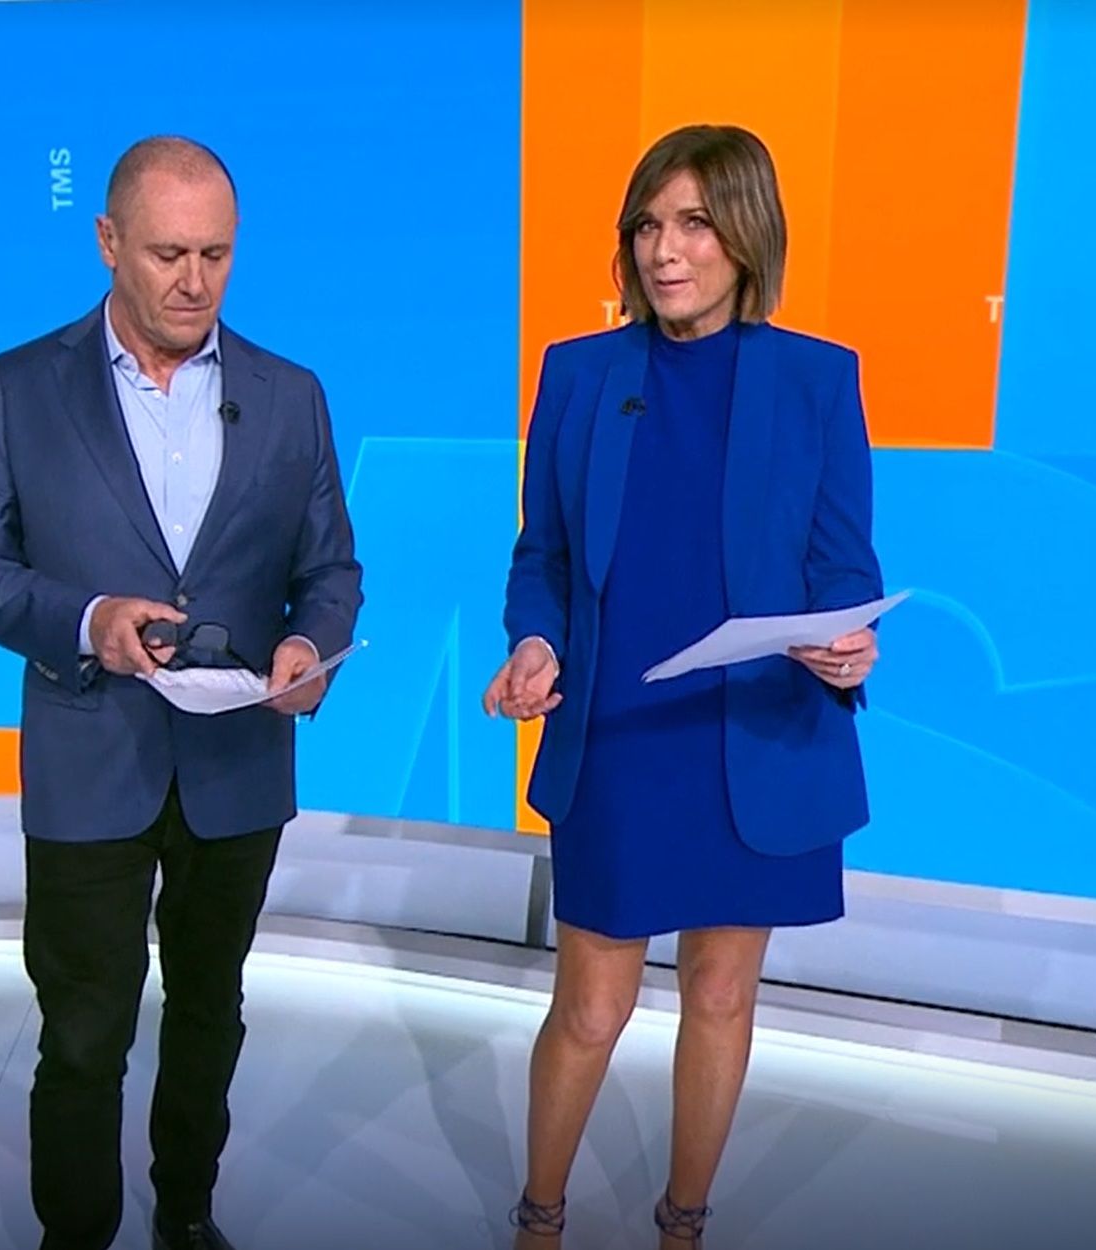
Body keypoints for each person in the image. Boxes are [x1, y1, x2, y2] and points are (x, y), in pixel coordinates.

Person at [0, 135, 363, 1250]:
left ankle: (185, 1212)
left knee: (210, 1011)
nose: (193, 281)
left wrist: (308, 646)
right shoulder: (21, 386)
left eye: (215, 254)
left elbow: (330, 571)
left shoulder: (290, 395)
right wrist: (88, 621)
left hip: (236, 764)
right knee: (84, 1032)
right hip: (89, 758)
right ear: (107, 242)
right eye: (168, 253)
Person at [483, 123, 884, 1249]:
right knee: (591, 1007)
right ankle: (539, 1218)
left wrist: (848, 642)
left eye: (695, 223)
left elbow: (843, 566)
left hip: (754, 731)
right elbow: (542, 557)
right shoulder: (578, 374)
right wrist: (534, 643)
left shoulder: (815, 379)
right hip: (622, 732)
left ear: (747, 234)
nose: (665, 251)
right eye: (647, 226)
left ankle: (682, 1223)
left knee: (718, 994)